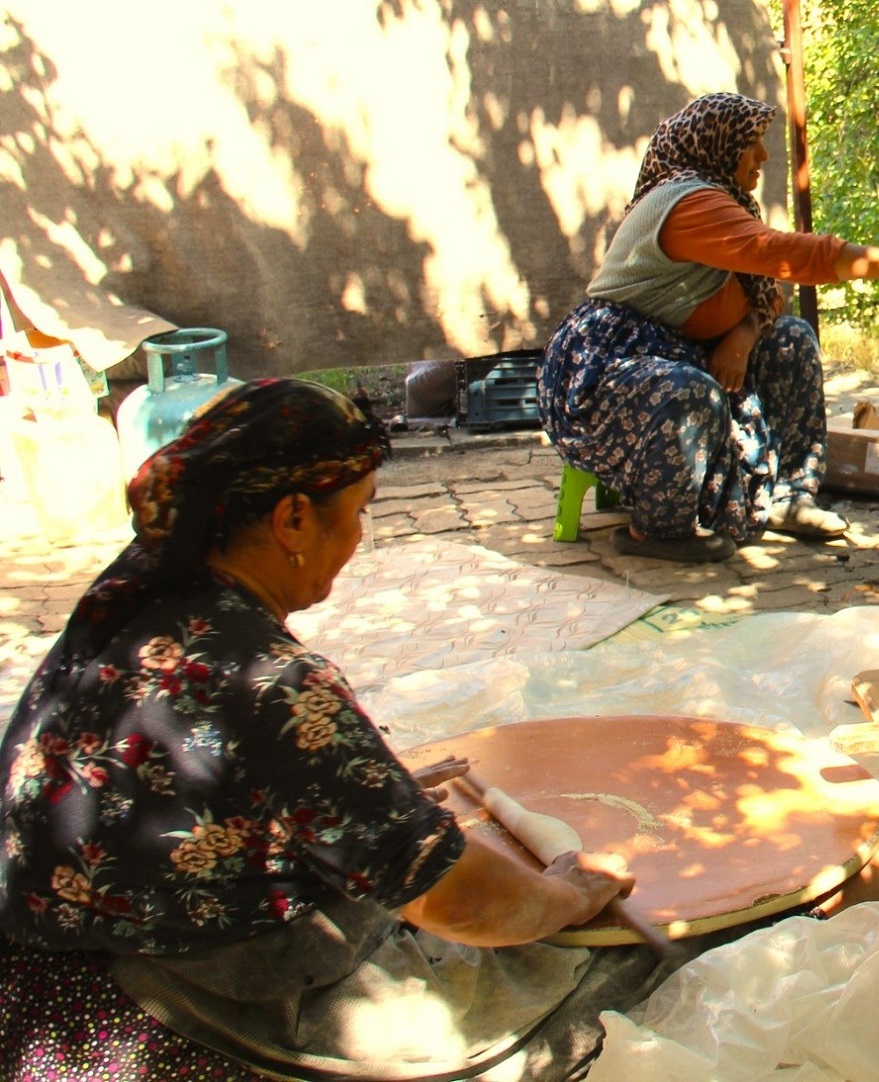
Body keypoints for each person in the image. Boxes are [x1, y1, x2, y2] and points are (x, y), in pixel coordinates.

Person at [0, 380, 651, 1081]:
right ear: (291, 520)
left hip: (36, 985)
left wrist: (370, 791)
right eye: (359, 512)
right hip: (164, 1013)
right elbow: (453, 895)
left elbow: (201, 775)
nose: (361, 537)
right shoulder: (270, 684)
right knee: (596, 977)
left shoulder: (131, 596)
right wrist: (563, 894)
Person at [539, 91, 879, 563]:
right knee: (689, 391)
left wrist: (742, 336)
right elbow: (786, 256)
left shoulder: (729, 201)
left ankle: (790, 495)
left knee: (792, 340)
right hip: (609, 369)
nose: (762, 155)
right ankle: (658, 529)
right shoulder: (687, 202)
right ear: (717, 146)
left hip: (687, 350)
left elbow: (766, 289)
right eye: (752, 142)